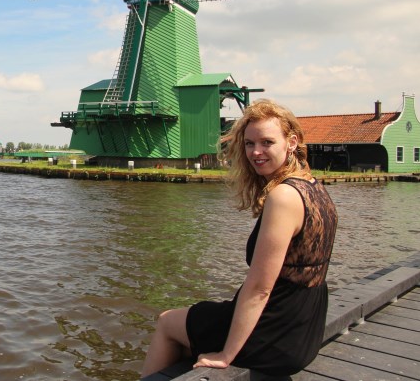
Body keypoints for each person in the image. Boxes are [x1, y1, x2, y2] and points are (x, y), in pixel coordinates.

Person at [141, 99, 338, 378]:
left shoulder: (283, 197)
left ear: (291, 142)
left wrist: (226, 354)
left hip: (275, 333)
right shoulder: (313, 187)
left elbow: (259, 289)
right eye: (248, 144)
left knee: (166, 322)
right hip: (302, 327)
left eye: (267, 142)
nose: (256, 152)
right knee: (189, 343)